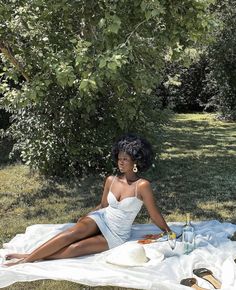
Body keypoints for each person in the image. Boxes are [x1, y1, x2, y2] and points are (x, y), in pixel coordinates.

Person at [5, 133, 171, 266]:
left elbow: (154, 214)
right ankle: (28, 258)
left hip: (117, 233)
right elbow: (104, 205)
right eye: (119, 158)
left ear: (136, 161)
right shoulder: (111, 179)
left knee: (77, 247)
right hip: (101, 218)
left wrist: (167, 231)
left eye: (125, 159)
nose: (120, 162)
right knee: (72, 232)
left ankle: (33, 257)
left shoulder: (142, 185)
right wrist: (88, 215)